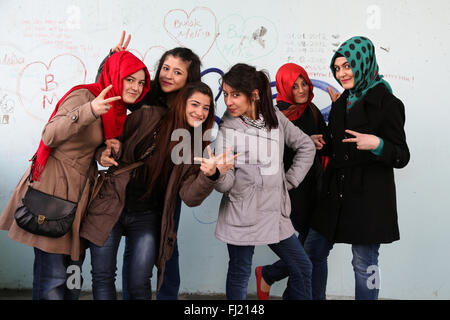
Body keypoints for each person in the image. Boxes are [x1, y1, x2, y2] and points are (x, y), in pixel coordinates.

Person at [0, 51, 150, 300]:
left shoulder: (116, 110)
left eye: (141, 82)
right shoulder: (84, 96)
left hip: (80, 197)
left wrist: (101, 153)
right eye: (129, 79)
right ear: (115, 76)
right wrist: (89, 110)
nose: (136, 87)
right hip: (54, 193)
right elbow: (50, 135)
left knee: (72, 277)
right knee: (53, 278)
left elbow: (84, 144)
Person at [80, 81, 237, 299]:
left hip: (147, 216)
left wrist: (210, 175)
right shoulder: (149, 116)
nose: (200, 112)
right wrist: (101, 153)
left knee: (139, 282)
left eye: (206, 108)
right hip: (112, 205)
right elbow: (110, 139)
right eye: (195, 104)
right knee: (103, 276)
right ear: (182, 104)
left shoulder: (198, 145)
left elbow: (189, 197)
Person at [96, 31, 202, 299]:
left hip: (162, 197)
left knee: (166, 252)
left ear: (189, 79)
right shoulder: (146, 96)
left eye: (178, 72)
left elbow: (194, 152)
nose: (168, 75)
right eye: (165, 68)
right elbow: (109, 91)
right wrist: (112, 60)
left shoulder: (193, 111)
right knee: (112, 274)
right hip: (125, 191)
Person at [307, 36, 410, 300]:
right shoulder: (343, 101)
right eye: (338, 67)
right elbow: (340, 145)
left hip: (368, 199)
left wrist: (377, 143)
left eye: (347, 66)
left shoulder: (388, 104)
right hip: (335, 194)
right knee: (311, 252)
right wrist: (323, 144)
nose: (342, 73)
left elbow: (401, 155)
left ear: (363, 63)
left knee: (365, 264)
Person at [214, 63, 317, 300]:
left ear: (255, 95)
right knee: (240, 272)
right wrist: (216, 174)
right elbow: (225, 184)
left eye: (235, 95)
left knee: (303, 267)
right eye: (227, 94)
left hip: (275, 211)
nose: (228, 101)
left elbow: (306, 146)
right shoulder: (228, 129)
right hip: (242, 212)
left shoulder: (275, 117)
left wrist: (289, 181)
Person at [255, 63, 328, 300]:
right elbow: (275, 154)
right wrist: (306, 141)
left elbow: (326, 144)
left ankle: (271, 276)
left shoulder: (313, 111)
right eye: (294, 85)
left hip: (314, 188)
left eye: (303, 83)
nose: (301, 89)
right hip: (292, 189)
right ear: (285, 87)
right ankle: (273, 277)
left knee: (315, 247)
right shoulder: (278, 115)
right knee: (312, 248)